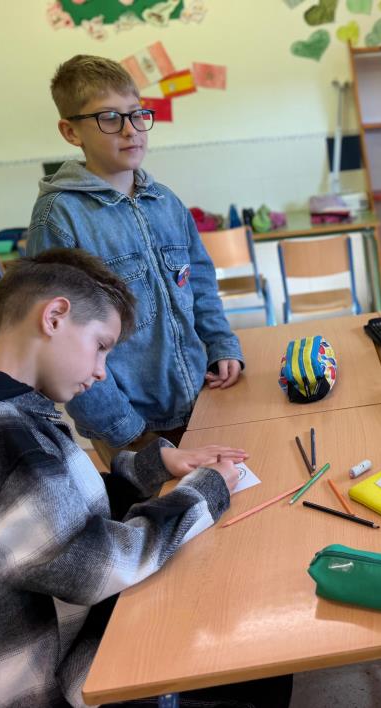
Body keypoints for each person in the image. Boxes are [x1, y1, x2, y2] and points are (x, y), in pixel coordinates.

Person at [0, 249, 291, 707]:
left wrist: (156, 466)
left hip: (84, 628)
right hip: (63, 680)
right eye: (100, 345)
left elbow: (68, 503)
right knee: (260, 671)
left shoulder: (4, 407)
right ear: (54, 316)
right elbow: (90, 568)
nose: (100, 371)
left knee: (256, 650)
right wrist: (202, 495)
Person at [27, 54, 243, 464]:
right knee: (159, 505)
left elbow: (198, 281)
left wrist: (221, 345)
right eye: (109, 118)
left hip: (201, 398)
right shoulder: (60, 217)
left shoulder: (165, 201)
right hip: (131, 425)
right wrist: (129, 432)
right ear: (71, 131)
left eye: (137, 114)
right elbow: (62, 346)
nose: (130, 130)